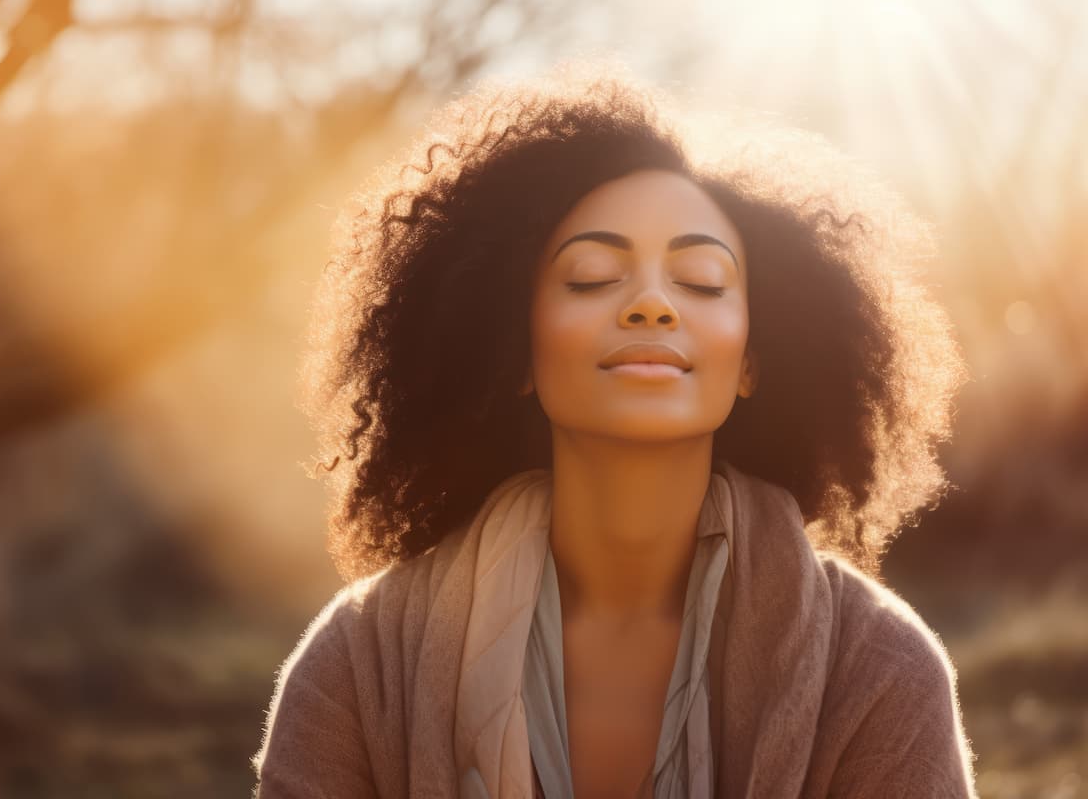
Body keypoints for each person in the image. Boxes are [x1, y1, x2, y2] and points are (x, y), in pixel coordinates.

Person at [251, 60, 979, 798]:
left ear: (753, 360)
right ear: (518, 353)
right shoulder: (360, 660)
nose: (653, 305)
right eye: (593, 275)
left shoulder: (877, 669)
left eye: (700, 282)